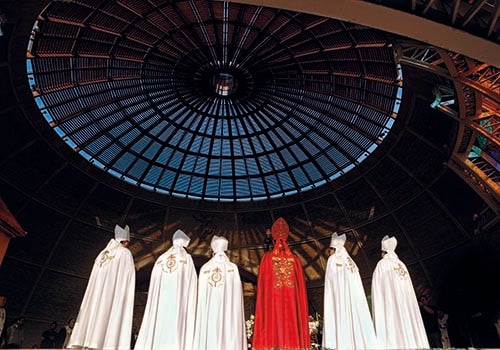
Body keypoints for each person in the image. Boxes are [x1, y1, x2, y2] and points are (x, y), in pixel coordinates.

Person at [67, 224, 135, 350]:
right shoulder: (124, 253)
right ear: (125, 242)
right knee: (106, 313)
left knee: (94, 310)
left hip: (96, 294)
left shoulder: (102, 254)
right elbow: (128, 277)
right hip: (110, 294)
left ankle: (87, 339)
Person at [252, 217, 310, 350]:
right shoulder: (294, 259)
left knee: (272, 318)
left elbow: (263, 287)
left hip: (272, 301)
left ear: (273, 236)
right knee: (292, 317)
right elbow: (300, 288)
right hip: (291, 301)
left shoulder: (267, 258)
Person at [134, 229, 197, 350]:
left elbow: (154, 280)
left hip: (160, 301)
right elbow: (191, 282)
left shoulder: (161, 258)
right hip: (177, 303)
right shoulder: (186, 259)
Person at [322, 233, 379, 350]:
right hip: (355, 301)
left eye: (330, 250)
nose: (329, 253)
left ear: (333, 249)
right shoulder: (351, 261)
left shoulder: (333, 260)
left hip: (340, 298)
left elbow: (331, 282)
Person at [371, 235, 429, 349]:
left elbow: (377, 287)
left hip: (391, 305)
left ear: (383, 252)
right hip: (406, 306)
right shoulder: (401, 264)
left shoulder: (382, 264)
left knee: (394, 327)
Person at [194, 235, 247, 350]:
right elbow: (236, 298)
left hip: (210, 312)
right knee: (228, 328)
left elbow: (201, 297)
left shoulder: (205, 268)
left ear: (213, 251)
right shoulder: (232, 268)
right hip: (229, 311)